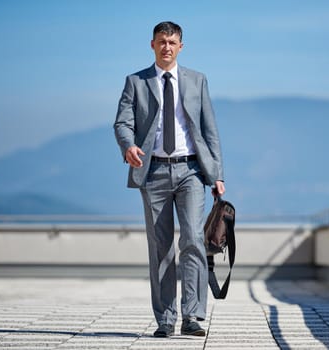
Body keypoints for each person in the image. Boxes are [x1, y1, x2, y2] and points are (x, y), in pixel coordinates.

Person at [113, 21, 225, 337]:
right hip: (154, 171)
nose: (167, 47)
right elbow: (122, 123)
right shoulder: (136, 82)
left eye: (172, 42)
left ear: (181, 46)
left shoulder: (197, 80)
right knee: (161, 246)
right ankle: (165, 318)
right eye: (161, 41)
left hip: (191, 170)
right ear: (152, 45)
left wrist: (217, 174)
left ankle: (192, 315)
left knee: (192, 238)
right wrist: (128, 146)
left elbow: (209, 130)